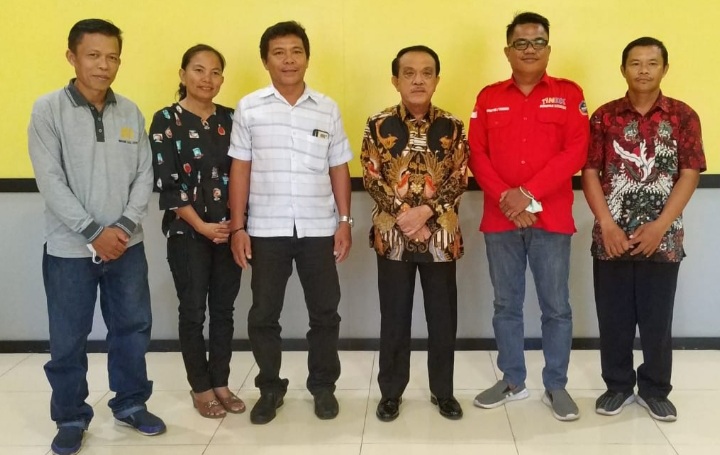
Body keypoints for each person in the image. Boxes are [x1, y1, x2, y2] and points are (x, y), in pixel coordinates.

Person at [27, 18, 165, 455]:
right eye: (93, 55)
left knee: (132, 329)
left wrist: (121, 229)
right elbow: (50, 181)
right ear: (72, 57)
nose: (104, 65)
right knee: (68, 339)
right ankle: (70, 416)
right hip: (69, 250)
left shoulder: (131, 112)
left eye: (112, 57)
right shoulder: (47, 110)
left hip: (127, 247)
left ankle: (130, 403)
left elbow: (144, 175)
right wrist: (92, 233)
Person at [227, 20, 353, 425]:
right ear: (266, 60)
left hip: (319, 228)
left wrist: (345, 220)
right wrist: (238, 227)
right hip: (266, 229)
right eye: (278, 53)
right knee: (264, 315)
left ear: (307, 58)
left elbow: (338, 167)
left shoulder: (327, 107)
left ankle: (323, 386)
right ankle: (270, 388)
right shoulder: (250, 107)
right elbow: (240, 169)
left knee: (325, 313)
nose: (288, 60)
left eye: (296, 51)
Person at [468, 11, 588, 421]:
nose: (530, 49)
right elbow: (476, 153)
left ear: (548, 49)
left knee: (556, 307)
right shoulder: (489, 97)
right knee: (506, 305)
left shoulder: (568, 94)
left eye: (538, 42)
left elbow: (575, 151)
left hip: (550, 219)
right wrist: (509, 199)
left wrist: (528, 194)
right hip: (501, 219)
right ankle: (512, 380)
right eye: (521, 43)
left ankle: (556, 385)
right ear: (508, 51)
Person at [582, 37, 705, 422]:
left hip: (662, 240)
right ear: (623, 69)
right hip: (611, 238)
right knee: (613, 318)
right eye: (635, 63)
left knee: (656, 320)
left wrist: (660, 226)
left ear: (664, 68)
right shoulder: (603, 117)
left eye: (652, 63)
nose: (644, 70)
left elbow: (689, 173)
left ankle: (655, 389)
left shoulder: (683, 116)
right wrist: (607, 224)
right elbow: (590, 172)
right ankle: (618, 386)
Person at [361, 45, 468, 422]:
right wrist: (405, 216)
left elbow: (459, 177)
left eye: (426, 73)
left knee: (443, 320)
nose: (418, 80)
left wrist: (425, 213)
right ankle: (391, 392)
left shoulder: (453, 126)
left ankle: (444, 392)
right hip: (392, 239)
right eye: (409, 73)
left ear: (437, 80)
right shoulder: (377, 124)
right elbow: (371, 176)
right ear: (396, 80)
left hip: (440, 240)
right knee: (394, 318)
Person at [150, 44, 245, 419]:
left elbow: (244, 173)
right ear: (183, 74)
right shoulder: (165, 120)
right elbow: (167, 183)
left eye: (215, 71)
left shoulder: (232, 119)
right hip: (188, 232)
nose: (207, 78)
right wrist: (203, 226)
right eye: (199, 70)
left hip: (229, 231)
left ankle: (220, 381)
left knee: (224, 311)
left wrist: (236, 224)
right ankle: (200, 387)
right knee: (192, 311)